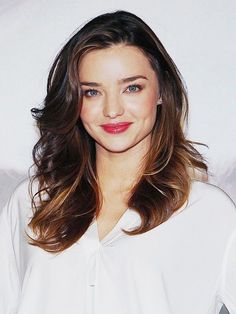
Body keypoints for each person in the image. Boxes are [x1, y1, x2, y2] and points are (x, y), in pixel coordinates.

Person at [0, 10, 236, 314]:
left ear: (162, 90)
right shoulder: (30, 201)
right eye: (92, 92)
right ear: (74, 101)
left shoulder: (210, 212)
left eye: (132, 87)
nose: (112, 109)